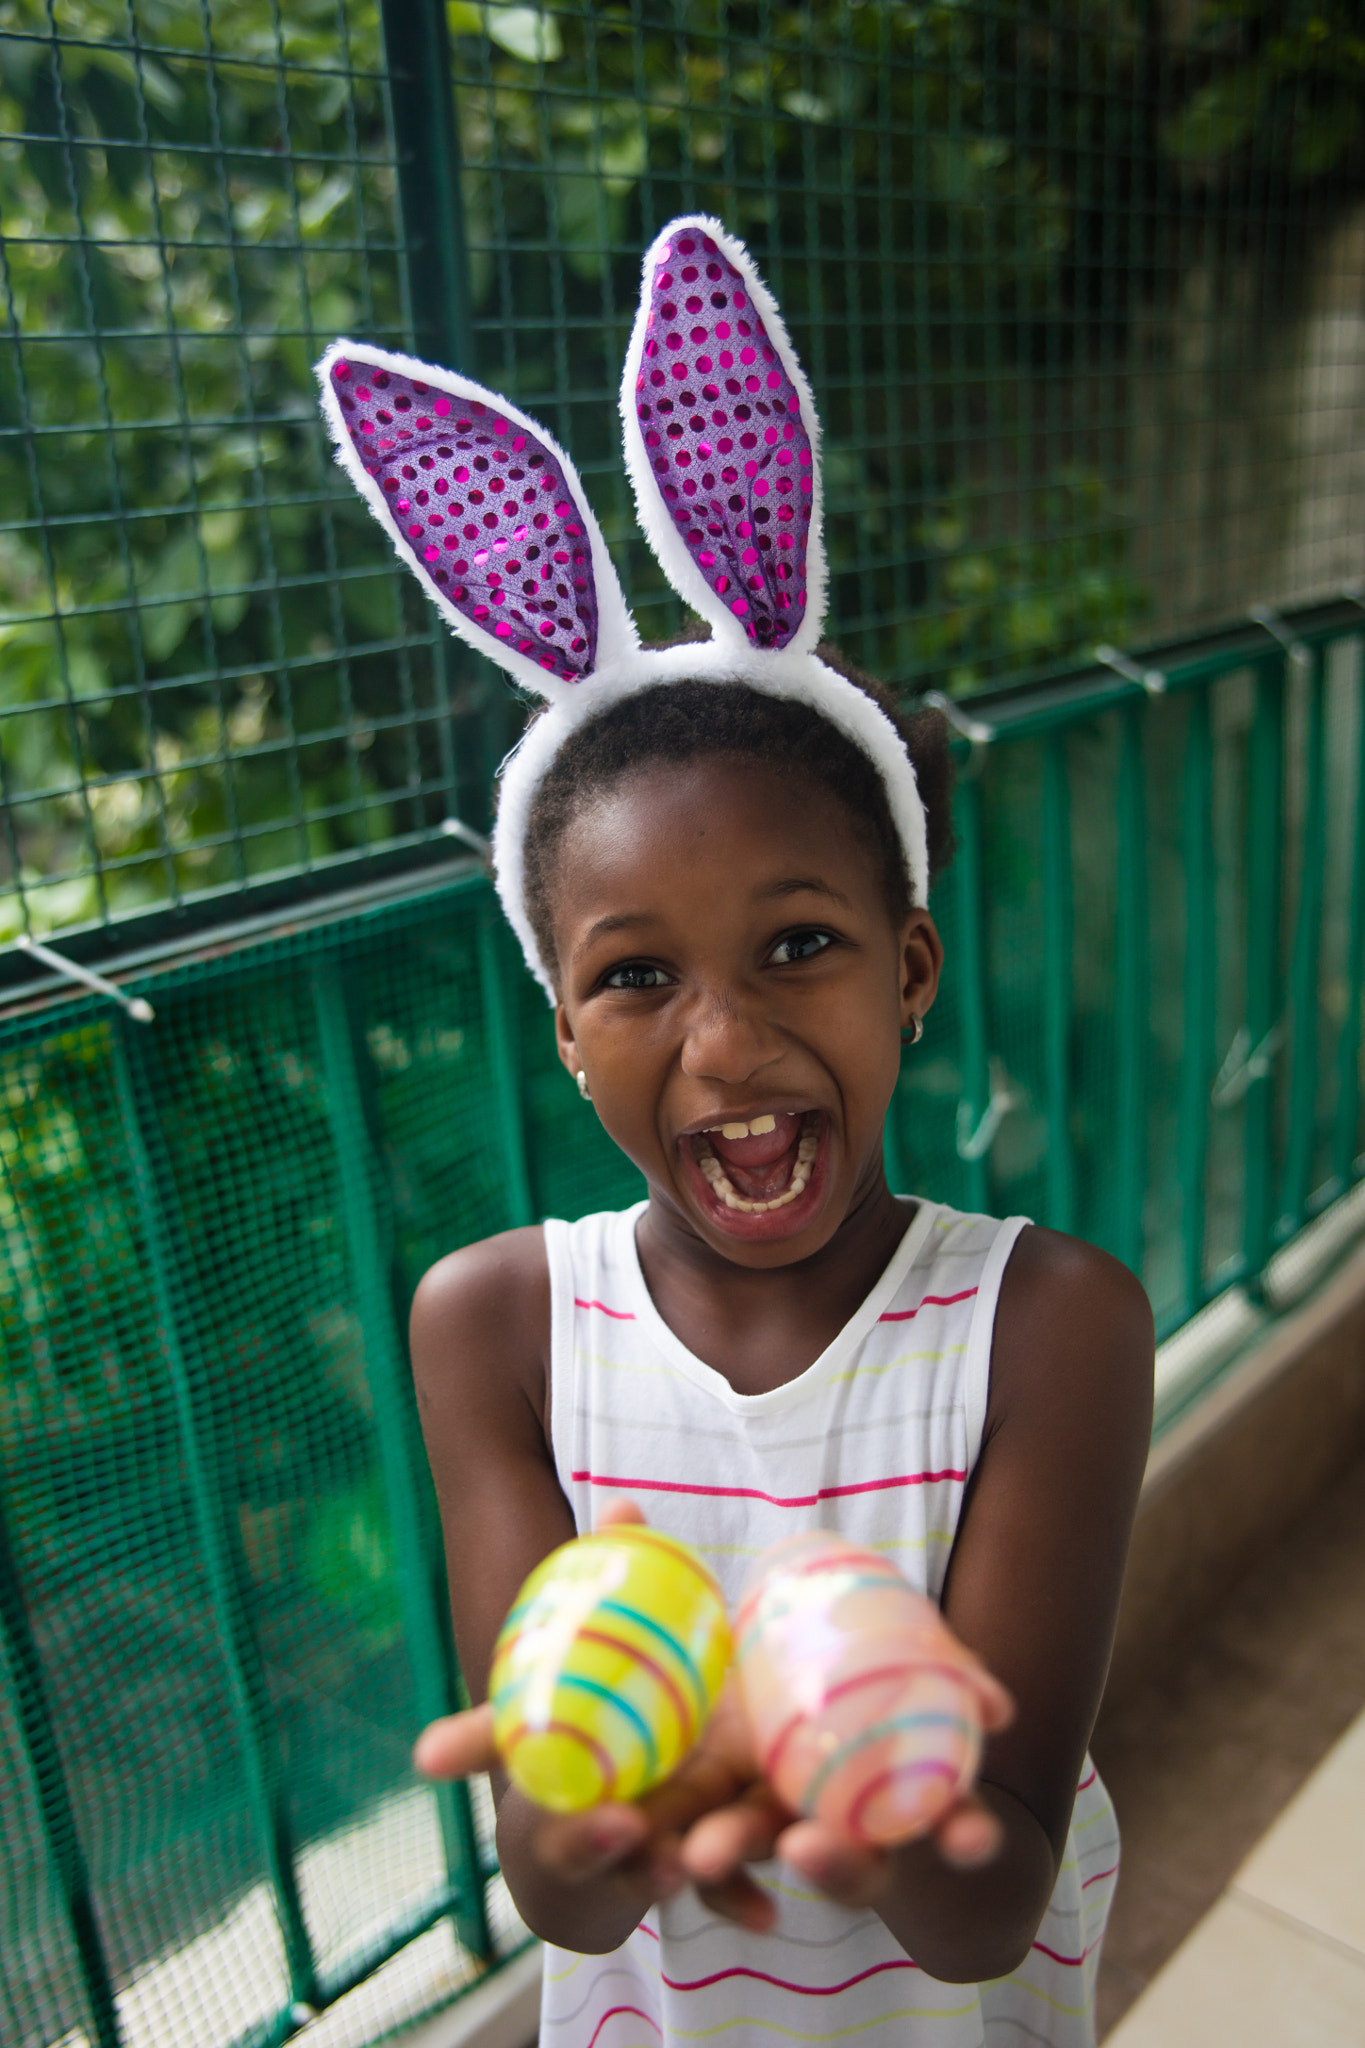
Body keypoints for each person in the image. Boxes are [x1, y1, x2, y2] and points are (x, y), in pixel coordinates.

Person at [317, 216, 1153, 2048]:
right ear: (560, 1030)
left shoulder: (1049, 1326)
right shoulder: (497, 1328)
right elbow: (554, 1882)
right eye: (634, 978)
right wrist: (612, 1797)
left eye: (799, 947)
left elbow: (982, 1908)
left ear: (909, 965)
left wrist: (874, 1783)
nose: (727, 1041)